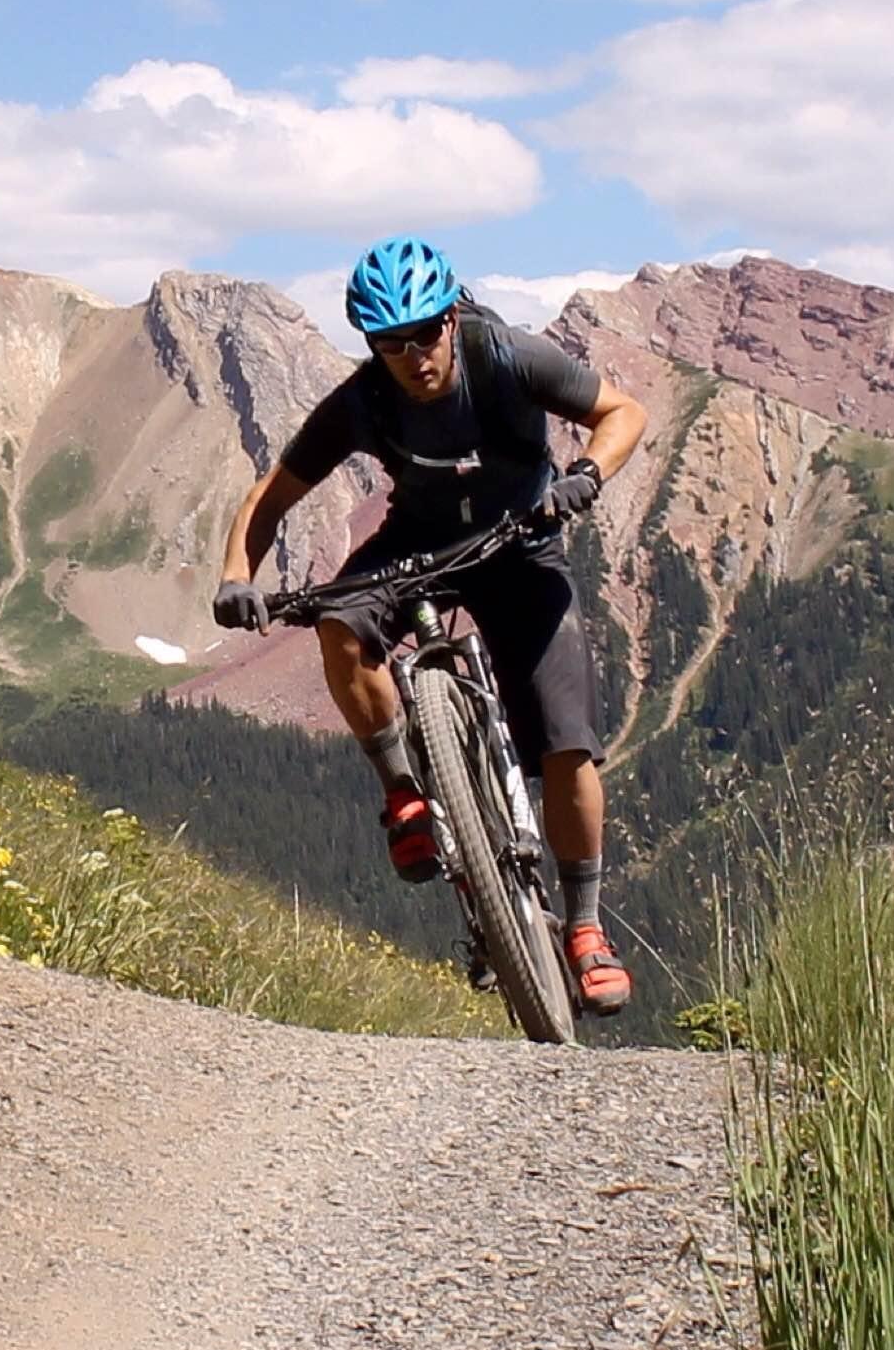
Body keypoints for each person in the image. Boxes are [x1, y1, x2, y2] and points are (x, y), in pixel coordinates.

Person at [211, 234, 647, 1015]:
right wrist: (236, 579)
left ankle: (585, 929)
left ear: (452, 318)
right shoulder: (360, 403)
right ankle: (407, 797)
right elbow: (270, 498)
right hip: (417, 543)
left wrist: (586, 475)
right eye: (390, 343)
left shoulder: (509, 356)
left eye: (425, 334)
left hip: (521, 541)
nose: (413, 356)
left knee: (567, 741)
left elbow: (622, 411)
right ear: (372, 346)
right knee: (337, 622)